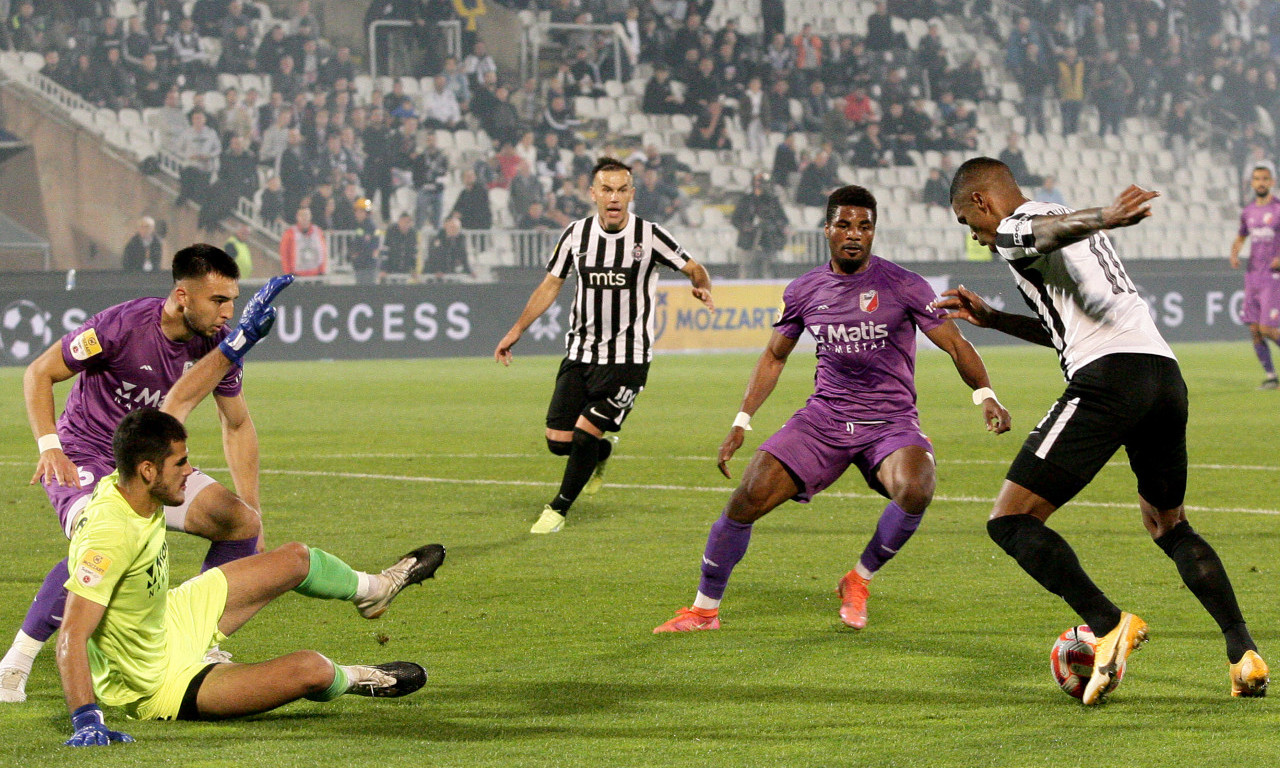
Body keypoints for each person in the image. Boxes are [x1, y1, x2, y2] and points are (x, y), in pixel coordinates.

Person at [941, 157, 1269, 704]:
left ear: (982, 201)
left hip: (1109, 380)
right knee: (1170, 526)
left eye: (968, 223)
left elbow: (1036, 233)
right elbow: (1063, 330)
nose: (977, 239)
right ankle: (1244, 653)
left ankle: (1107, 622)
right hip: (1163, 376)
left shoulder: (1017, 226)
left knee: (1010, 520)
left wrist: (1106, 216)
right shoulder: (1055, 223)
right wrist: (995, 319)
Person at [654, 185, 1010, 634]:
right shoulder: (804, 291)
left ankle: (858, 580)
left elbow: (955, 344)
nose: (854, 234)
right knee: (747, 497)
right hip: (823, 420)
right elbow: (774, 357)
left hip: (889, 421)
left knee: (917, 487)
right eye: (844, 224)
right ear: (827, 229)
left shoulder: (903, 285)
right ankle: (704, 611)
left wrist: (986, 394)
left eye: (864, 226)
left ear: (874, 232)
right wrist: (741, 421)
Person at [0, 247, 292, 704]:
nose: (228, 312)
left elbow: (236, 423)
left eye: (232, 300)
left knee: (240, 523)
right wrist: (50, 446)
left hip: (153, 463)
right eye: (218, 300)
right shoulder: (119, 327)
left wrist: (251, 502)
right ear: (182, 297)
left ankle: (198, 646)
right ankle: (15, 663)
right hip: (86, 455)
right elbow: (39, 372)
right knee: (103, 541)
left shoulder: (217, 343)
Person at [57, 408, 446, 744]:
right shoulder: (109, 535)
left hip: (171, 617)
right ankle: (358, 678)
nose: (190, 471)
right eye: (180, 463)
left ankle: (374, 591)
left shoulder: (131, 490)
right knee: (310, 669)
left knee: (295, 559)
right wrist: (86, 717)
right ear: (147, 470)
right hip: (156, 683)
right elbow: (72, 634)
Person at [495, 158, 715, 534]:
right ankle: (602, 453)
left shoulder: (650, 236)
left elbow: (693, 267)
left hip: (628, 359)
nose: (614, 197)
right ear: (593, 193)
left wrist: (702, 285)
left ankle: (558, 509)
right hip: (580, 353)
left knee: (584, 433)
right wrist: (517, 329)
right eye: (606, 189)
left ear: (631, 194)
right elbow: (551, 284)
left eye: (621, 189)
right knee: (559, 442)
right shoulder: (575, 235)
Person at [1229, 162, 1280, 389]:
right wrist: (1234, 252)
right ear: (1252, 183)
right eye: (1257, 179)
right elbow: (1241, 236)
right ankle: (1271, 378)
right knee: (1254, 329)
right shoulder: (1248, 211)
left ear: (1272, 182)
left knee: (1267, 329)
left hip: (1273, 278)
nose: (1261, 183)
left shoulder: (1278, 209)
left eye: (1264, 179)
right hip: (1252, 277)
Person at [731, 173, 789, 279]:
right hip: (748, 242)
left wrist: (774, 226)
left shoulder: (772, 201)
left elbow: (783, 220)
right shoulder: (746, 200)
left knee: (769, 271)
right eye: (757, 182)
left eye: (762, 183)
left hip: (768, 242)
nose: (760, 185)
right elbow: (735, 219)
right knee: (747, 270)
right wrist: (745, 226)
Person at [279, 206, 327, 277]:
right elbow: (284, 254)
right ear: (297, 217)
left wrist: (322, 271)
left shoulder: (318, 232)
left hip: (315, 274)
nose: (304, 218)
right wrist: (288, 273)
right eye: (302, 215)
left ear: (310, 216)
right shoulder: (290, 233)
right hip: (296, 275)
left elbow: (323, 252)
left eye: (307, 215)